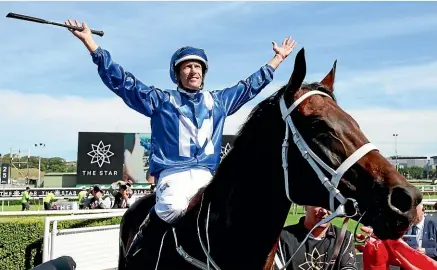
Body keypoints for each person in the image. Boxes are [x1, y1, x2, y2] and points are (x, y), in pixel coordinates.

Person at [65, 18, 296, 254]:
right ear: (177, 74)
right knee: (172, 207)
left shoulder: (219, 101)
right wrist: (92, 45)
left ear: (203, 73)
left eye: (198, 66)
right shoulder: (160, 100)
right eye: (187, 66)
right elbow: (123, 83)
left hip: (208, 175)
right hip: (173, 174)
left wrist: (277, 59)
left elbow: (249, 86)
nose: (193, 70)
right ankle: (141, 246)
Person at [273, 206, 358, 270]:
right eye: (318, 204)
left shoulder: (343, 237)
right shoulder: (284, 237)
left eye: (329, 205)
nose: (324, 211)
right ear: (305, 206)